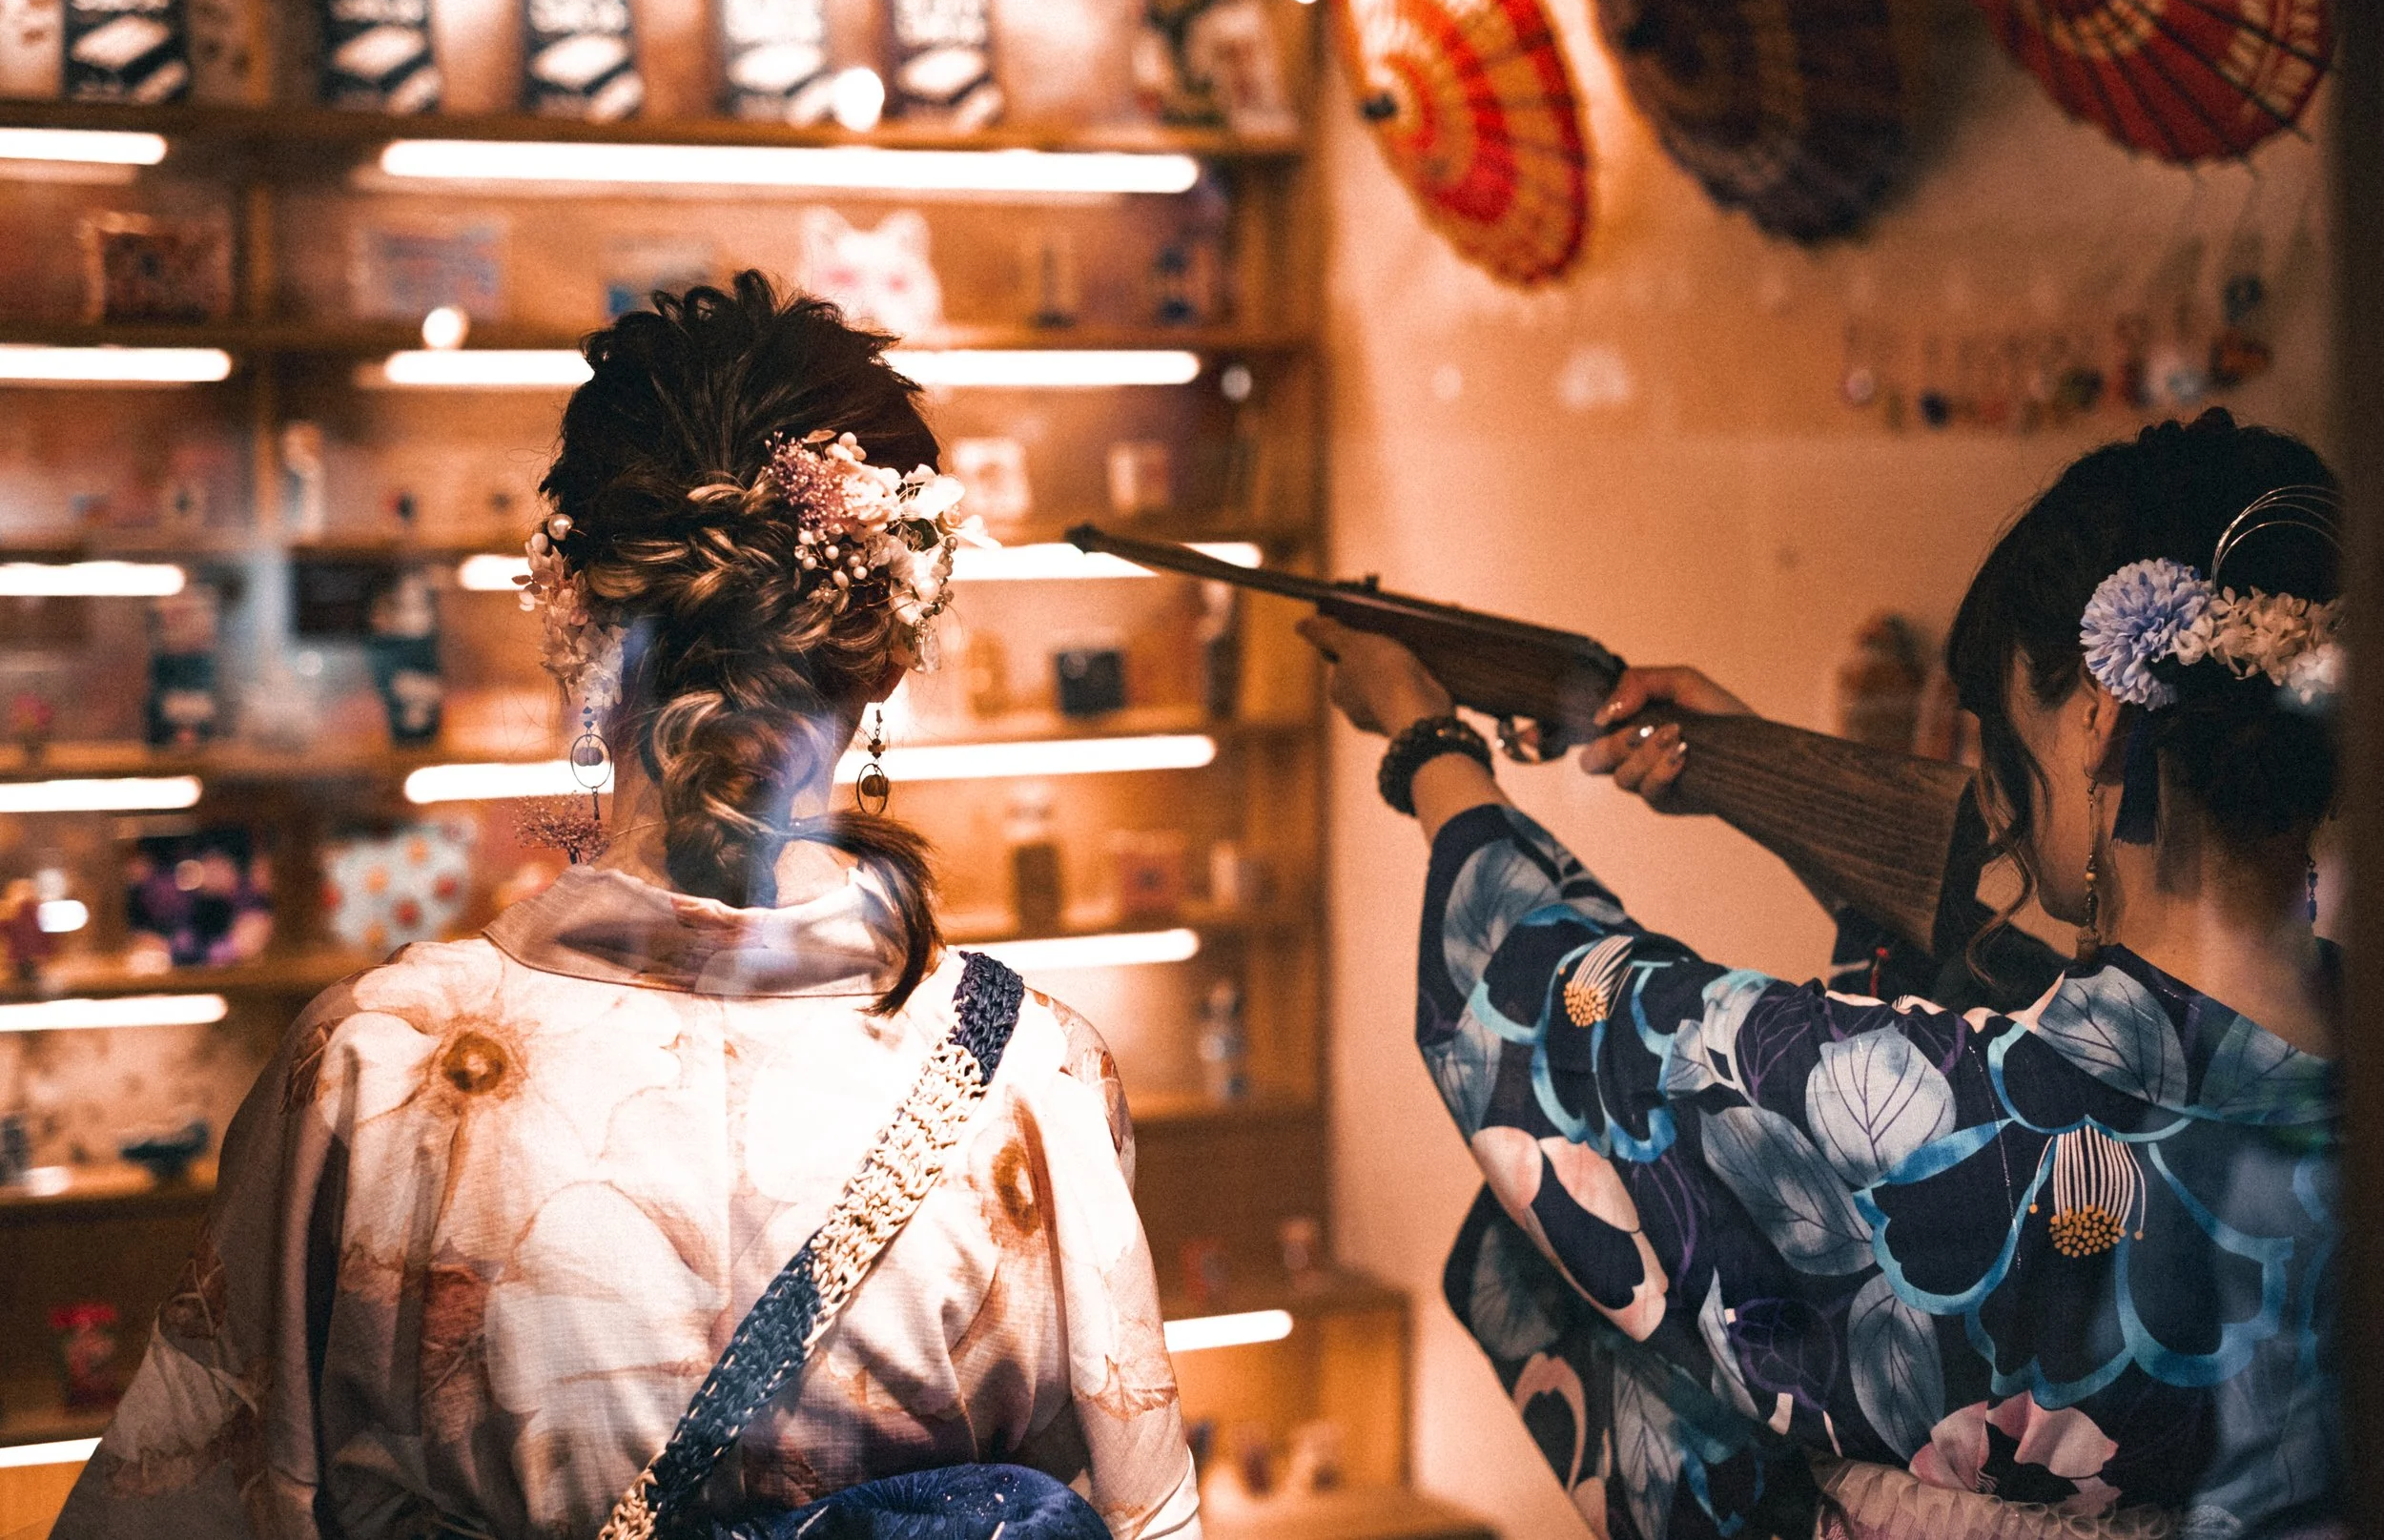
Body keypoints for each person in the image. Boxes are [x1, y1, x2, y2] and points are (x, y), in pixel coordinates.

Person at [52, 275, 1201, 1540]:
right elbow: (1134, 1501)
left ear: (576, 610)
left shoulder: (379, 1068)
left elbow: (192, 1495)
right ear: (884, 648)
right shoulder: (1032, 1077)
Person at [1301, 410, 2340, 1539]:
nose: (1993, 797)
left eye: (2001, 740)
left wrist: (1421, 738)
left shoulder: (1974, 1131)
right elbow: (2008, 962)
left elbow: (1559, 1015)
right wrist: (1769, 775)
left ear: (2096, 717)